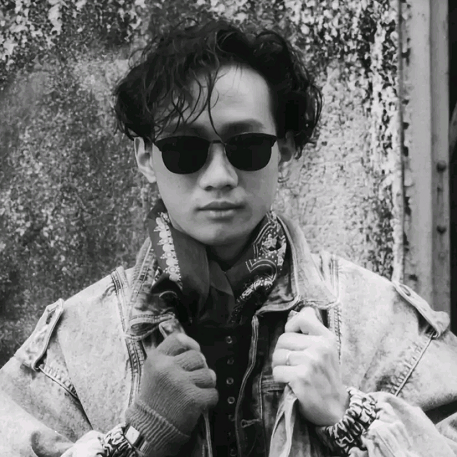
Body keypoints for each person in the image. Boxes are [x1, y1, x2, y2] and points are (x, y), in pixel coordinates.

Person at [1, 16, 457, 457]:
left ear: (284, 147)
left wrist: (349, 416)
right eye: (184, 149)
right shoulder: (75, 344)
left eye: (247, 146)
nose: (219, 176)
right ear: (145, 156)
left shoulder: (377, 322)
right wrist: (139, 438)